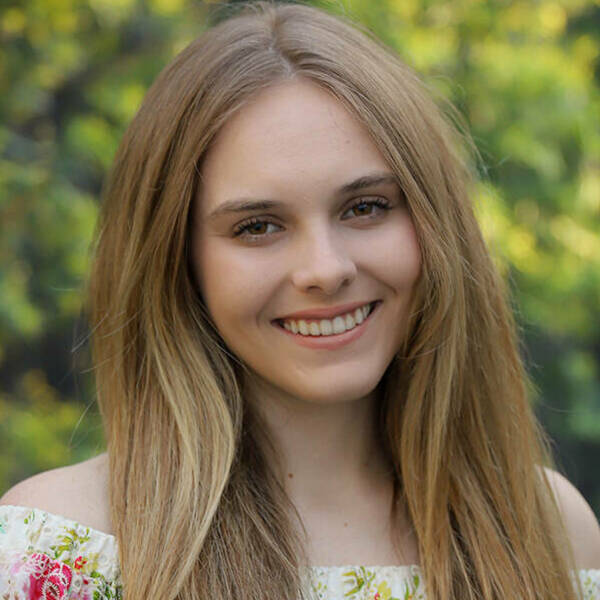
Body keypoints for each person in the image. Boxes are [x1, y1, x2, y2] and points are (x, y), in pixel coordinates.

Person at [1, 1, 599, 599]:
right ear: (178, 261)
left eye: (365, 207)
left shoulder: (550, 533)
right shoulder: (63, 549)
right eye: (258, 226)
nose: (326, 270)